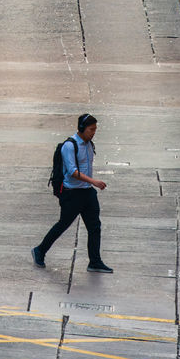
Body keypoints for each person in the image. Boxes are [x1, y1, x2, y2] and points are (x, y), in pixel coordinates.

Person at [32, 114, 112, 273]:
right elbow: (72, 172)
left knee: (95, 226)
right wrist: (93, 181)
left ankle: (95, 261)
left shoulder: (89, 144)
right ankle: (40, 250)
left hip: (87, 193)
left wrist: (89, 184)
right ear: (82, 128)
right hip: (72, 194)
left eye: (95, 129)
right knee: (63, 224)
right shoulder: (69, 146)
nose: (94, 133)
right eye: (91, 129)